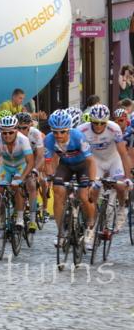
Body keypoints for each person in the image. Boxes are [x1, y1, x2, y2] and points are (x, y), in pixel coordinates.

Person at [44, 109, 96, 250]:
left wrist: (91, 182)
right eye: (55, 132)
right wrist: (50, 176)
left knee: (84, 195)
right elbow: (48, 162)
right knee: (58, 191)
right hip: (65, 165)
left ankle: (90, 227)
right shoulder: (49, 139)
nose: (58, 135)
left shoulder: (78, 137)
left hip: (83, 166)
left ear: (69, 130)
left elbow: (91, 161)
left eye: (63, 131)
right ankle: (61, 232)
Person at [77, 104, 133, 232]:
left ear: (107, 121)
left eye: (102, 123)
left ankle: (122, 208)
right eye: (95, 122)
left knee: (119, 186)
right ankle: (94, 218)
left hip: (113, 159)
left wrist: (128, 178)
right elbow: (78, 153)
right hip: (96, 161)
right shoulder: (82, 130)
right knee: (94, 190)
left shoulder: (114, 128)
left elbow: (124, 154)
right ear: (90, 120)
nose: (98, 126)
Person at [0, 115, 35, 229]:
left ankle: (20, 217)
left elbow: (30, 162)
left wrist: (22, 178)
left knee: (17, 186)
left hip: (21, 165)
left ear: (16, 131)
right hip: (6, 166)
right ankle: (1, 217)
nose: (7, 135)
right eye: (4, 133)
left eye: (10, 133)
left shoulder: (23, 140)